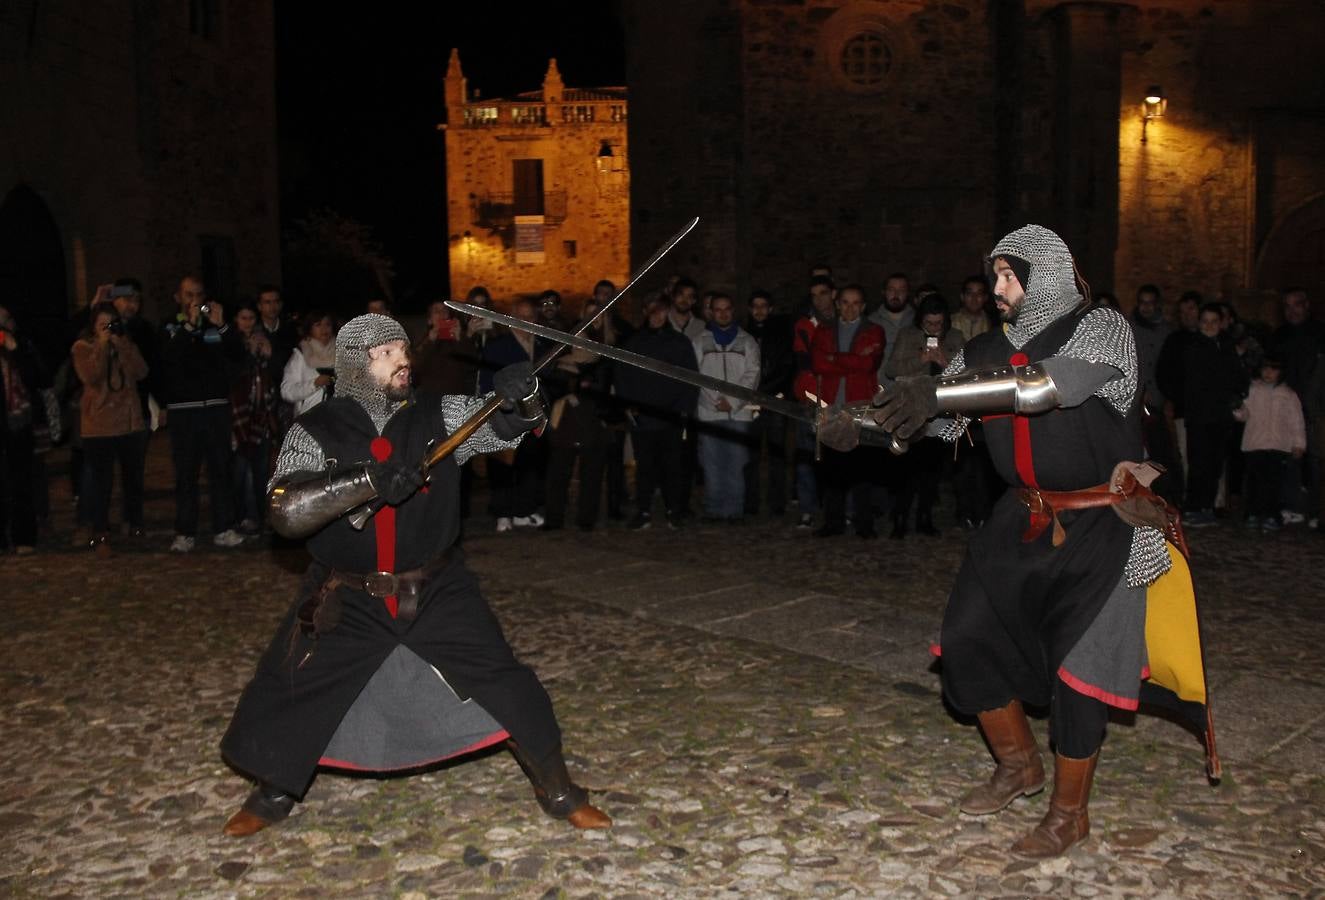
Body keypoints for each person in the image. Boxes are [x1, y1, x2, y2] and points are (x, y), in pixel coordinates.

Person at [874, 224, 1216, 859]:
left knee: (1081, 669)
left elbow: (1045, 388)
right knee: (967, 637)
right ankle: (1017, 765)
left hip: (1105, 520)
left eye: (1009, 276)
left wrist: (940, 391)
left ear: (1045, 279)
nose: (996, 288)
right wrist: (859, 423)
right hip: (1020, 518)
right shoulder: (984, 350)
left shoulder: (1102, 328)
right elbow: (928, 422)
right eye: (994, 276)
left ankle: (1069, 814)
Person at [219, 313, 609, 836]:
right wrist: (368, 481)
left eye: (403, 349)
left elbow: (503, 425)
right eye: (386, 352)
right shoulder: (316, 427)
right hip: (346, 594)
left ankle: (558, 790)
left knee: (506, 682)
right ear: (355, 365)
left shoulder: (438, 413)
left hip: (437, 587)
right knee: (295, 686)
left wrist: (524, 397)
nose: (402, 360)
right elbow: (286, 511)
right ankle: (274, 790)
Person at [159, 276, 245, 552]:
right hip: (184, 412)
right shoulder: (169, 326)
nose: (194, 299)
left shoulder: (216, 324)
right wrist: (188, 326)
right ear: (178, 297)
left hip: (216, 409)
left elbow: (237, 355)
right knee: (186, 474)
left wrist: (222, 325)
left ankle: (224, 527)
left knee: (220, 470)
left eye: (198, 294)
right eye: (188, 294)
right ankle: (185, 531)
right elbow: (168, 360)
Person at [71, 301, 149, 555]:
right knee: (101, 482)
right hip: (99, 425)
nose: (108, 329)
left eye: (111, 323)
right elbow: (91, 376)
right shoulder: (82, 347)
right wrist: (103, 347)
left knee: (133, 478)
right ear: (93, 327)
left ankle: (134, 522)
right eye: (102, 324)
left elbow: (141, 371)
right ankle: (100, 531)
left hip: (129, 422)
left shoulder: (125, 343)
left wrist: (121, 346)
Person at [616, 294, 699, 529]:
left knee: (673, 467)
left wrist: (684, 410)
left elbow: (690, 379)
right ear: (645, 311)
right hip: (642, 418)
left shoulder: (680, 343)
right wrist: (629, 407)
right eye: (653, 310)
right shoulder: (634, 343)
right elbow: (622, 377)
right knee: (645, 467)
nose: (658, 316)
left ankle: (674, 510)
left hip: (671, 417)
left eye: (662, 310)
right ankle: (644, 511)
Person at [884, 293, 963, 538]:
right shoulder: (908, 335)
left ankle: (925, 516)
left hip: (941, 411)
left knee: (932, 469)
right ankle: (900, 517)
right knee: (906, 467)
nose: (934, 328)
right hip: (911, 410)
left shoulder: (955, 337)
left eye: (938, 324)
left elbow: (966, 373)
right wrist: (921, 359)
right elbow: (891, 369)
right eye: (929, 324)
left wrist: (944, 360)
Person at [810, 284, 885, 538]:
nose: (850, 308)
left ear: (863, 307)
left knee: (862, 468)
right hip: (831, 407)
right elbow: (818, 363)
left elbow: (868, 365)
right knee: (832, 470)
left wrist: (835, 358)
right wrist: (850, 359)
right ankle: (834, 522)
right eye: (845, 302)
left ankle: (864, 523)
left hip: (860, 407)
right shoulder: (825, 330)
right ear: (838, 304)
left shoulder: (874, 331)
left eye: (856, 303)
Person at [480, 298, 550, 531]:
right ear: (511, 319)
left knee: (529, 465)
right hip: (506, 415)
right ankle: (503, 513)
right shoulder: (498, 346)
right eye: (522, 317)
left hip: (533, 415)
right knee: (502, 466)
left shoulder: (541, 346)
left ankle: (523, 510)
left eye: (530, 317)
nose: (527, 322)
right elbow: (489, 381)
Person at [693, 293, 761, 522]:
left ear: (733, 311)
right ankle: (714, 508)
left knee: (737, 463)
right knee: (712, 464)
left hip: (739, 414)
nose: (722, 313)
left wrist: (731, 401)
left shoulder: (747, 342)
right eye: (718, 309)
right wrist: (713, 401)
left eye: (727, 309)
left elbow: (752, 375)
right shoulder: (700, 341)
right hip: (709, 413)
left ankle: (734, 509)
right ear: (711, 312)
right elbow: (694, 375)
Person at [1180, 303, 1246, 527]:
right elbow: (1195, 383)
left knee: (1215, 465)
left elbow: (1236, 376)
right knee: (1199, 463)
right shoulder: (1194, 347)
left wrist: (1236, 397)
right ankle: (1193, 507)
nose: (1209, 326)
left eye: (1214, 321)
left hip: (1220, 416)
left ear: (1221, 323)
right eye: (1205, 321)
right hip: (1200, 416)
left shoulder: (1227, 347)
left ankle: (1206, 506)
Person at [1234, 356, 1306, 531]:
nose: (1268, 373)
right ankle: (1252, 512)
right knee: (1254, 481)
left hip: (1279, 445)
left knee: (1274, 483)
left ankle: (1272, 515)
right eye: (1265, 368)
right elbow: (1243, 415)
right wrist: (1237, 408)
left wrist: (1299, 443)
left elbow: (1296, 421)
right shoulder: (1252, 389)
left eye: (1273, 369)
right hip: (1255, 443)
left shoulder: (1288, 394)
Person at [0, 305, 50, 553]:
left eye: (5, 319)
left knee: (21, 480)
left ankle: (24, 538)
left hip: (18, 422)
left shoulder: (23, 345)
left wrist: (15, 350)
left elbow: (39, 378)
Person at [230, 304, 282, 534]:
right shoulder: (230, 343)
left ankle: (257, 516)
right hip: (239, 415)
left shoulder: (264, 341)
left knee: (260, 471)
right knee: (239, 472)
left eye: (252, 318)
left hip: (262, 415)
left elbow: (275, 375)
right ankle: (240, 515)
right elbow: (234, 375)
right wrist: (247, 353)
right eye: (244, 317)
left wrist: (267, 355)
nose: (248, 322)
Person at [790, 276, 835, 528]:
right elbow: (803, 365)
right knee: (807, 455)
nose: (820, 299)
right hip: (811, 398)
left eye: (824, 293)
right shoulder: (804, 327)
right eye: (814, 294)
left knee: (839, 455)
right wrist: (806, 395)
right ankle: (807, 509)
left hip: (838, 399)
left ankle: (838, 509)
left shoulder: (845, 323)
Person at [743, 290, 794, 516]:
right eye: (755, 305)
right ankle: (750, 501)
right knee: (750, 455)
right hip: (749, 402)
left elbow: (786, 366)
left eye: (764, 305)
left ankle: (777, 502)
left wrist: (766, 391)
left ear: (770, 308)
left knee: (776, 455)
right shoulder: (743, 333)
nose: (759, 310)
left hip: (774, 400)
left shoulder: (781, 334)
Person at [413, 300, 479, 396]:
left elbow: (471, 366)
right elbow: (416, 371)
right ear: (429, 320)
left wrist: (459, 339)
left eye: (445, 310)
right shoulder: (422, 341)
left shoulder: (458, 340)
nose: (441, 314)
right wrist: (430, 342)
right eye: (436, 311)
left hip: (454, 400)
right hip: (428, 400)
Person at [281, 311, 337, 416]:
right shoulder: (300, 355)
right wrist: (313, 384)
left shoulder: (342, 353)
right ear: (309, 328)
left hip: (338, 420)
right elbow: (286, 391)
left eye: (328, 324)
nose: (324, 329)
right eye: (318, 324)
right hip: (309, 421)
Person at [951, 275, 995, 344]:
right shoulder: (950, 322)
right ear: (962, 297)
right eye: (969, 293)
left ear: (985, 297)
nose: (974, 298)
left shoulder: (993, 324)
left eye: (979, 293)